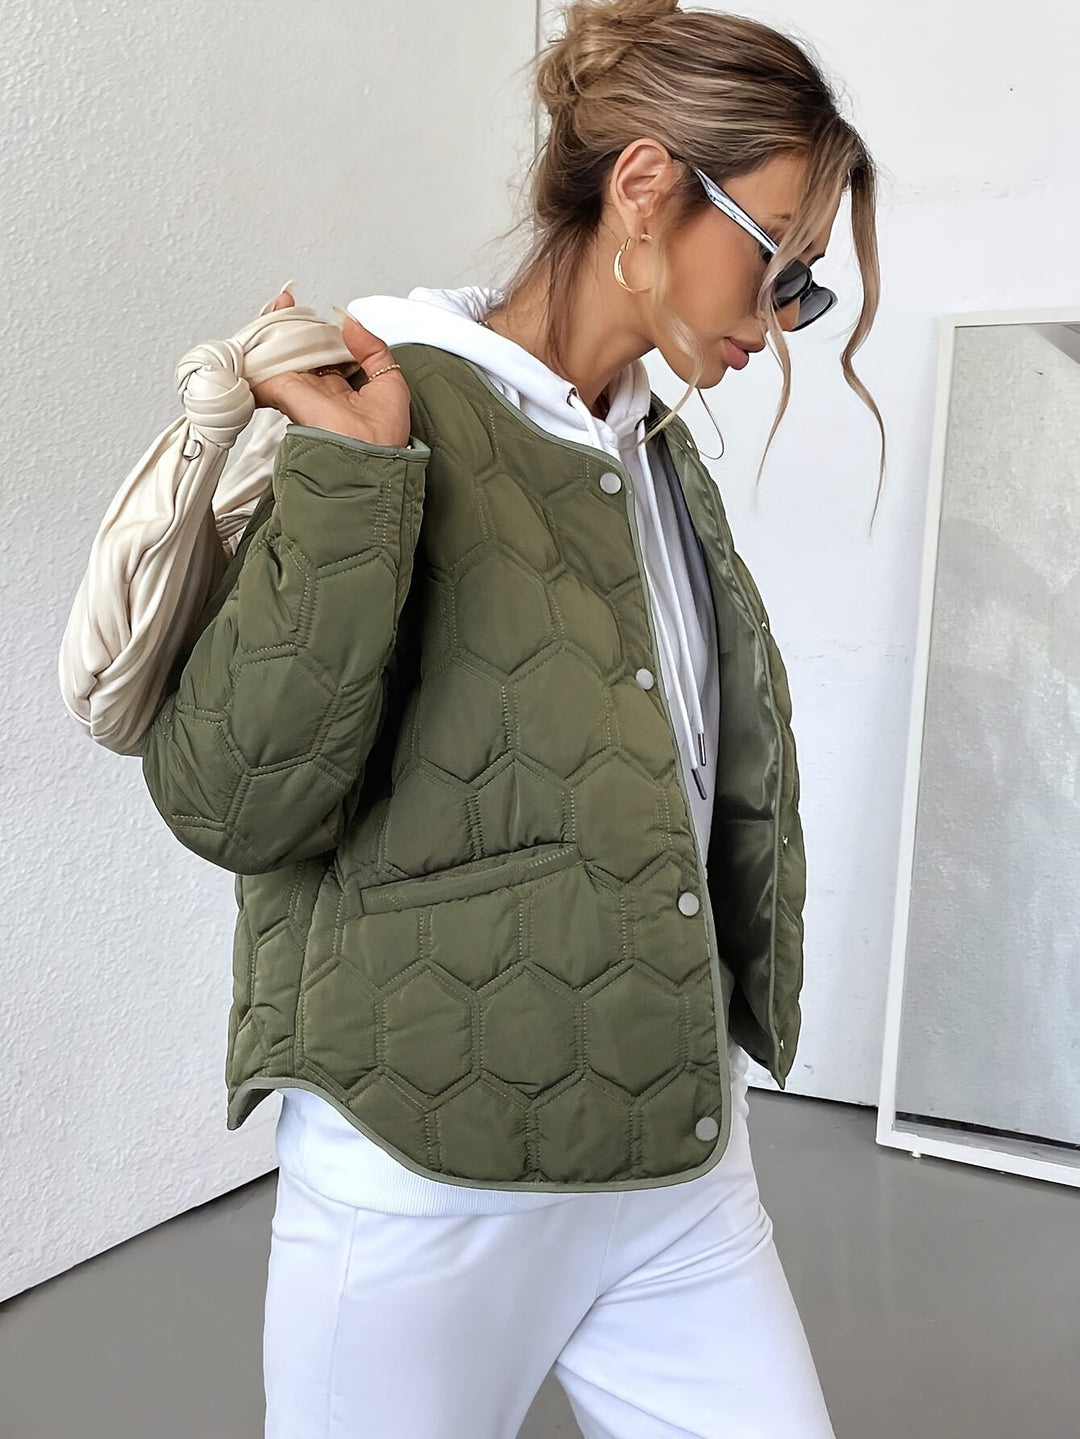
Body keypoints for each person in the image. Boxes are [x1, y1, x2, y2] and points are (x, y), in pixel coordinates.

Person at [137, 1, 884, 1434]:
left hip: (674, 1163)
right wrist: (352, 494)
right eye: (779, 261)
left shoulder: (646, 448)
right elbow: (230, 800)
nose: (784, 315)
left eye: (807, 285)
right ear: (648, 188)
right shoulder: (383, 402)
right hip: (427, 1177)